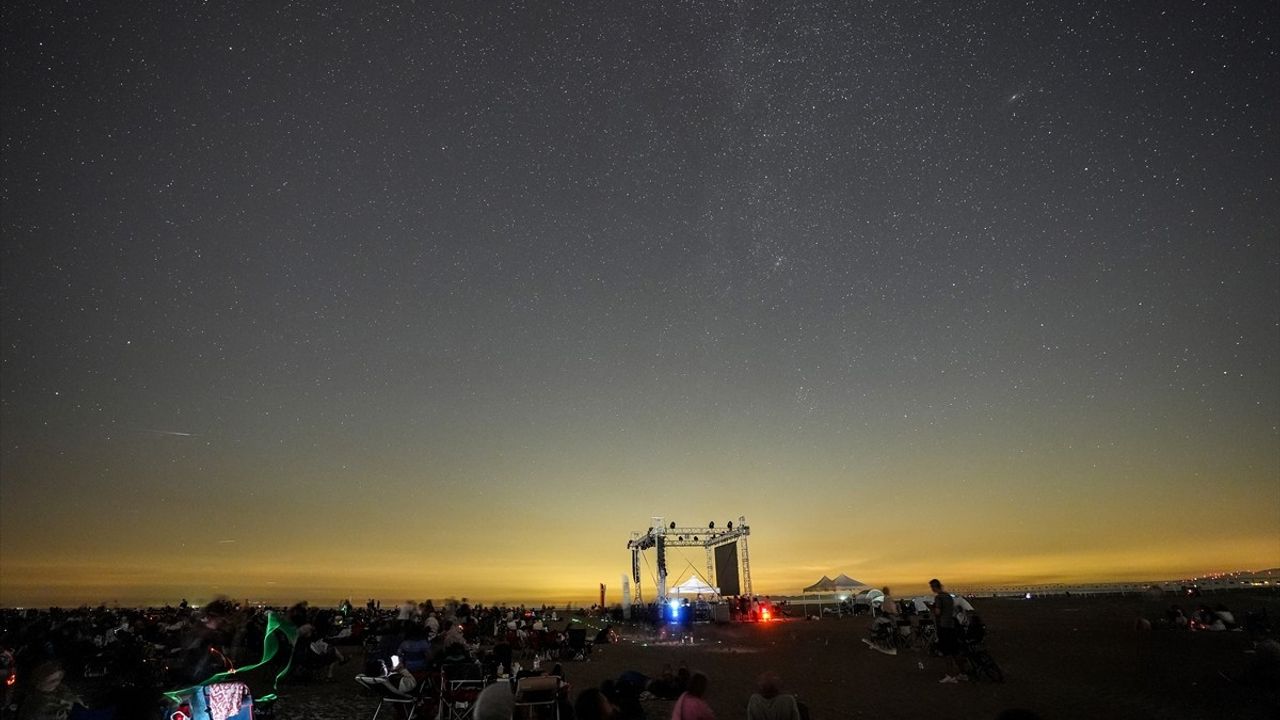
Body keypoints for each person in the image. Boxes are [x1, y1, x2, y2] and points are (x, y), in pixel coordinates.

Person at [929, 579, 964, 684]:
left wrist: (932, 608)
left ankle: (950, 675)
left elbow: (938, 612)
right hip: (952, 626)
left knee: (946, 652)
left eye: (932, 587)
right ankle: (962, 673)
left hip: (943, 627)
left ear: (934, 587)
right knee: (955, 651)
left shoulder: (939, 597)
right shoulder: (948, 596)